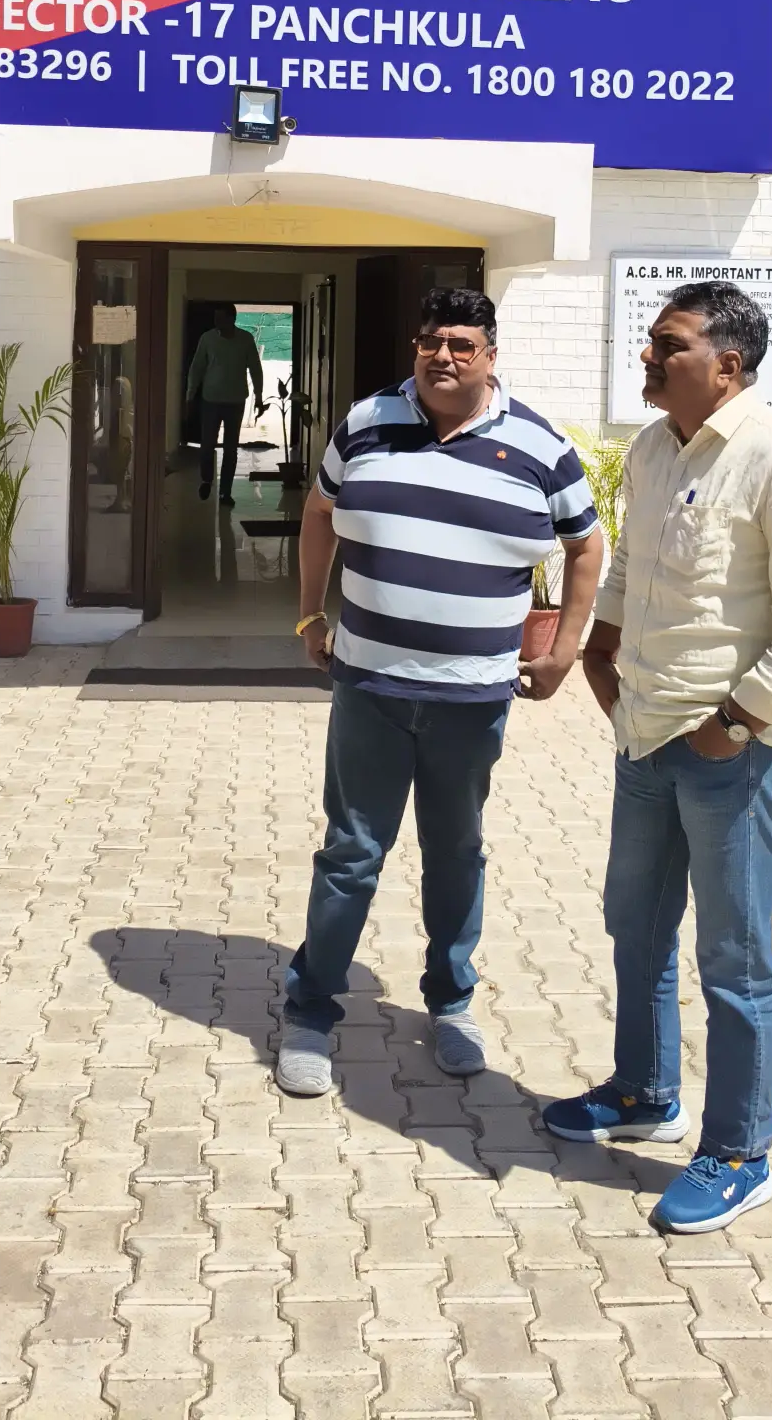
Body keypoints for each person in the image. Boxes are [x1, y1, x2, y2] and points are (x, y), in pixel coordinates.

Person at [544, 279, 772, 1235]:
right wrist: (599, 650)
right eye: (650, 342)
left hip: (733, 756)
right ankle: (645, 1092)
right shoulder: (651, 448)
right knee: (633, 924)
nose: (647, 356)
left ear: (728, 364)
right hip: (645, 737)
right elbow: (634, 568)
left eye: (667, 344)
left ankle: (739, 1153)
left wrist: (734, 725)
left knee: (734, 959)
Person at [277, 285, 605, 1098]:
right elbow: (318, 512)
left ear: (491, 355)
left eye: (462, 343)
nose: (443, 356)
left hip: (473, 698)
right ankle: (311, 1010)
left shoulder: (539, 445)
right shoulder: (367, 423)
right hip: (371, 686)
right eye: (430, 341)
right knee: (352, 852)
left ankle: (451, 1003)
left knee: (456, 853)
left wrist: (565, 650)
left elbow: (587, 545)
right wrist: (311, 612)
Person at [186, 304, 266, 504]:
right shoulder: (207, 339)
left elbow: (255, 368)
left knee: (230, 449)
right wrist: (190, 396)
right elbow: (197, 367)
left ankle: (225, 492)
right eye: (215, 318)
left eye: (221, 318)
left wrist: (258, 396)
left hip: (235, 401)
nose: (216, 322)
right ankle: (206, 480)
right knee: (207, 445)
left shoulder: (245, 339)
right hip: (211, 400)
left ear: (232, 319)